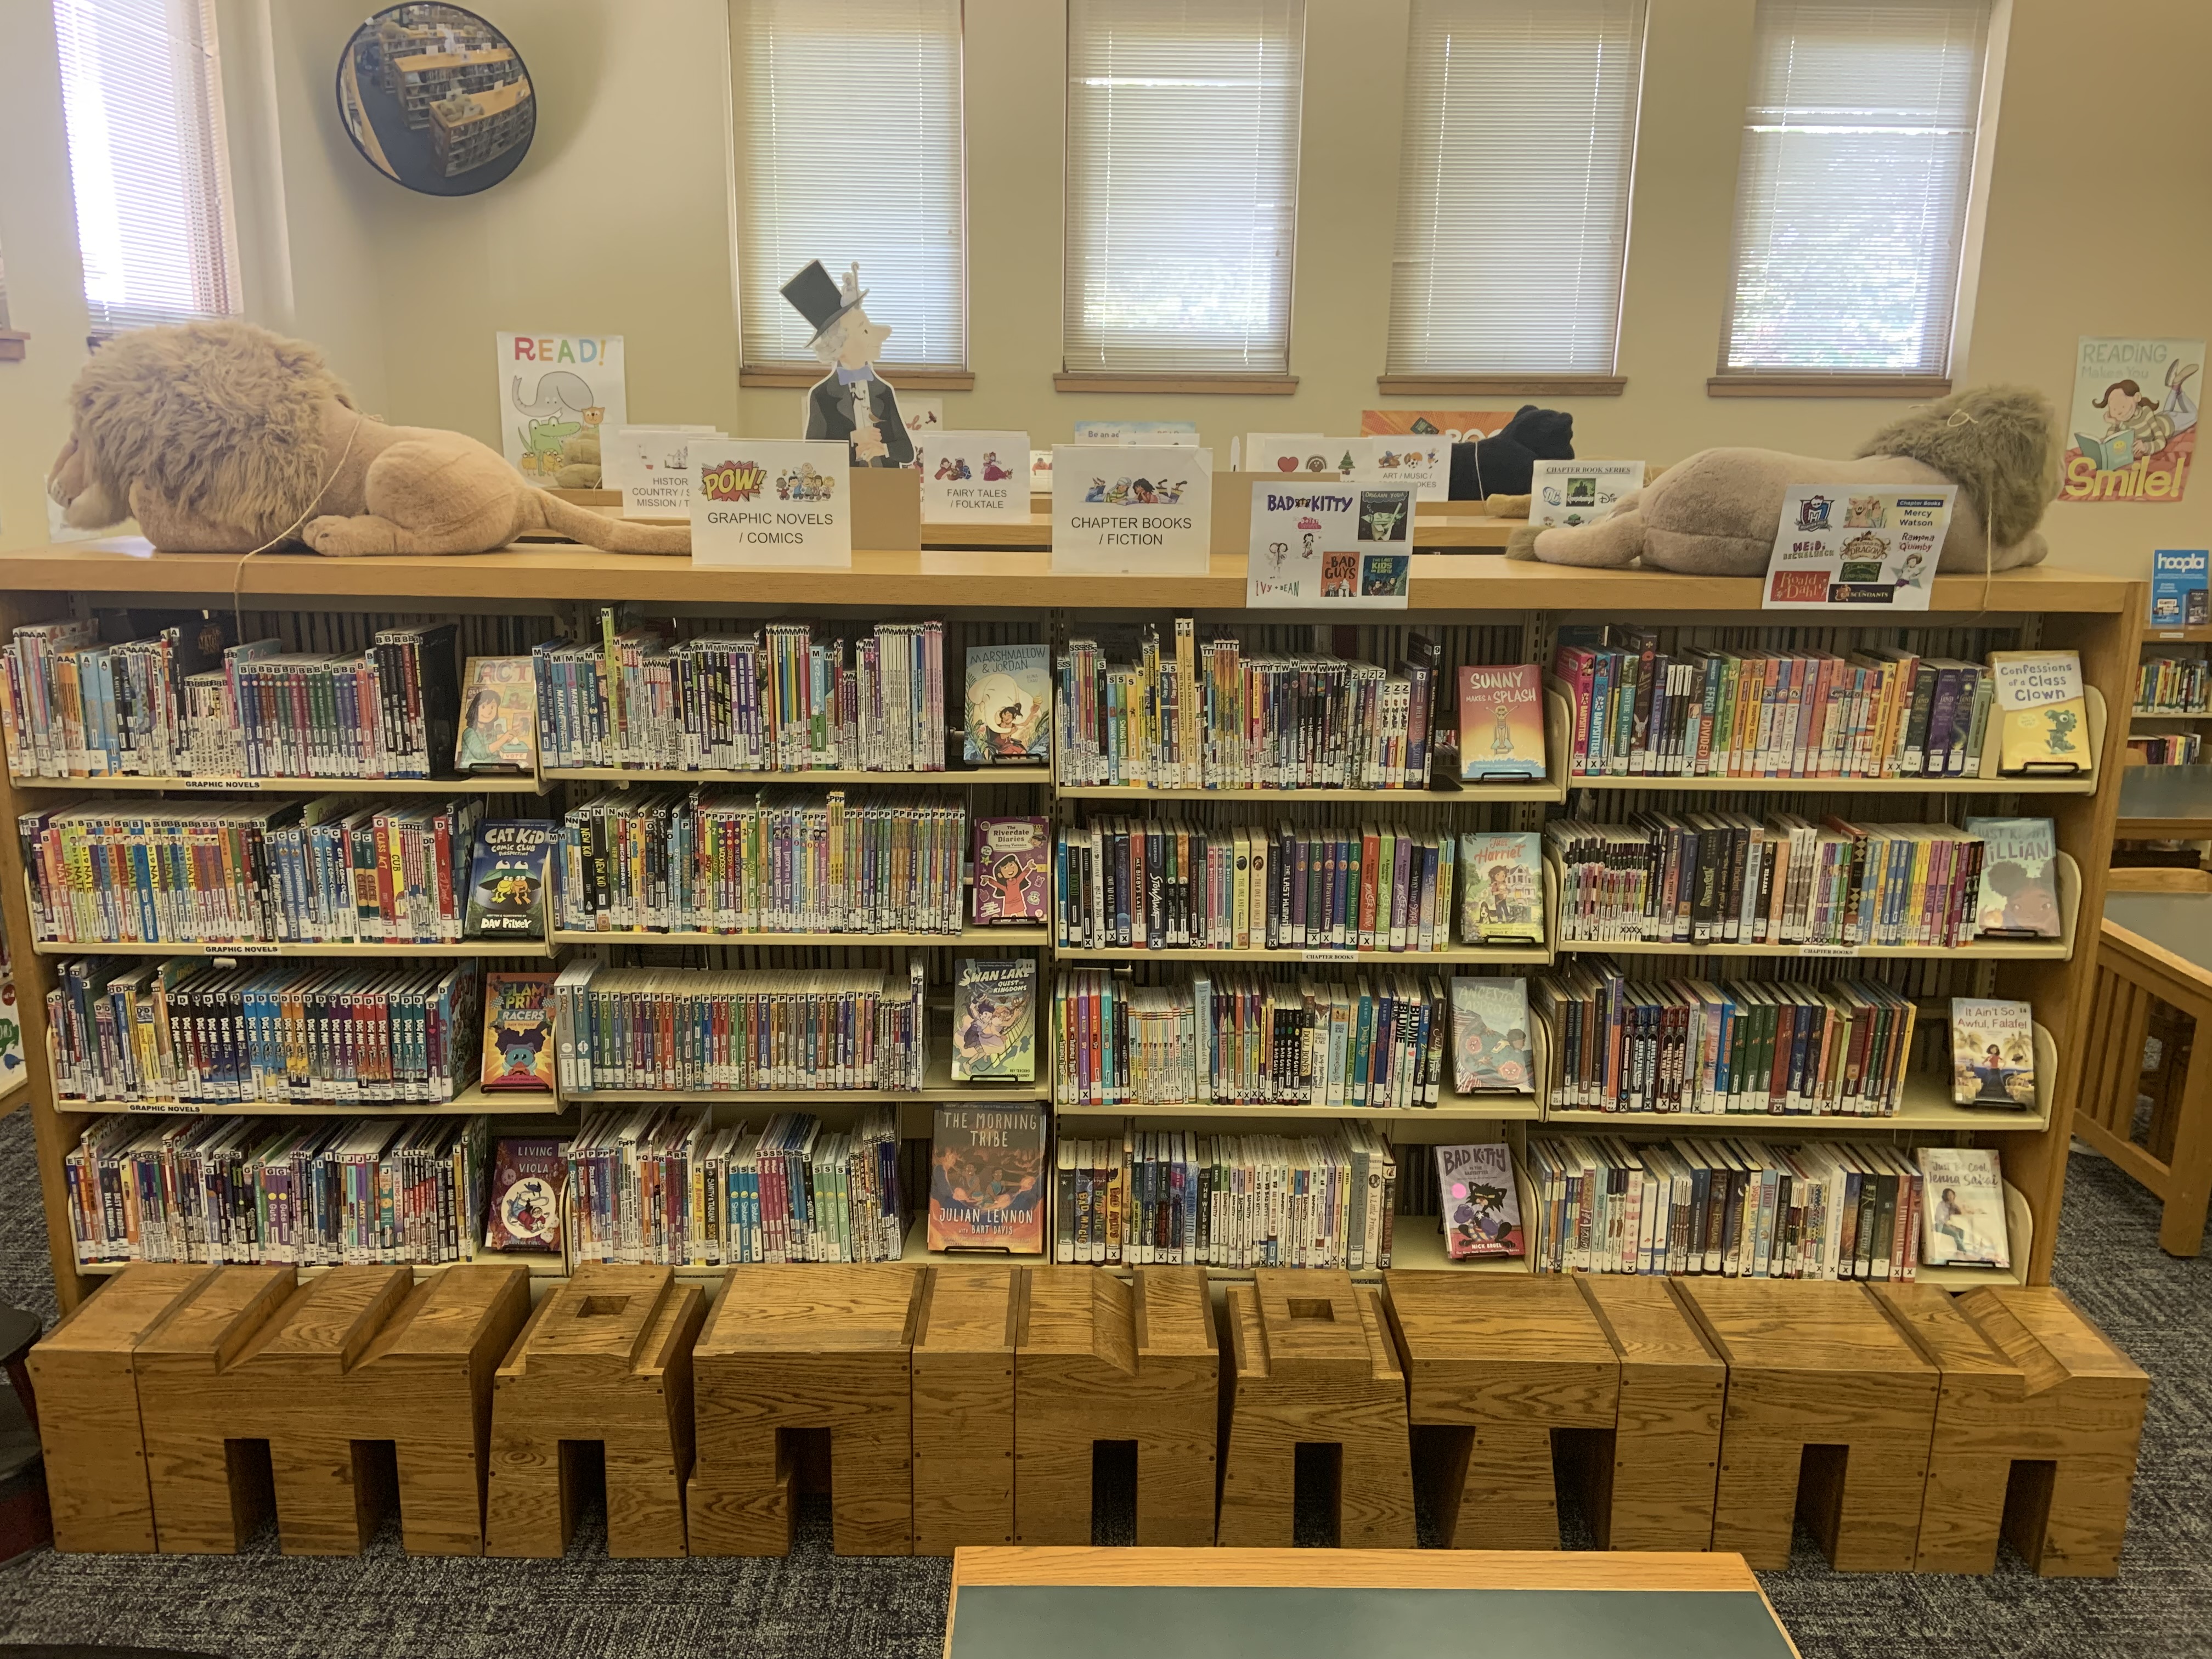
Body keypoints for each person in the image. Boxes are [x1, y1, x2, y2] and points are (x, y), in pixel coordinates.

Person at [2092, 379, 2175, 461]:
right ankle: (2175, 389)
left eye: (2123, 406)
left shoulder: (2146, 412)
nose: (2119, 412)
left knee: (2186, 414)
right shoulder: (2120, 421)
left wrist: (2146, 447)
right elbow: (2109, 442)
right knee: (2168, 409)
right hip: (2163, 415)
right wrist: (2115, 424)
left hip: (2171, 423)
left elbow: (2161, 441)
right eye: (2113, 409)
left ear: (2137, 398)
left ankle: (2176, 387)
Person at [456, 687, 509, 768]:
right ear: (475, 709)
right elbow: (480, 753)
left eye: (492, 707)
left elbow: (494, 756)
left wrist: (500, 767)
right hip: (470, 772)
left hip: (488, 773)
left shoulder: (492, 731)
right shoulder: (469, 732)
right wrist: (503, 740)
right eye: (483, 707)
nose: (489, 712)